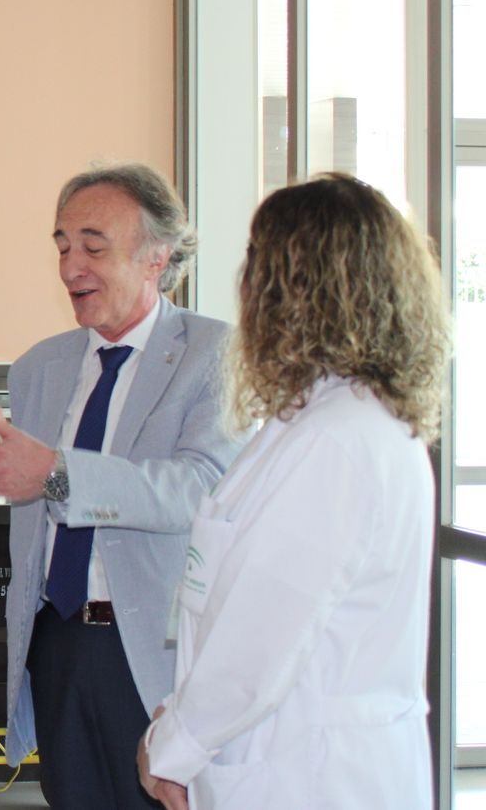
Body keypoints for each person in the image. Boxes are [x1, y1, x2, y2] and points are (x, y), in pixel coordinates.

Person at [0, 162, 242, 810]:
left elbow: (200, 488)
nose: (71, 266)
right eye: (62, 246)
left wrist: (57, 474)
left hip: (156, 652)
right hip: (59, 642)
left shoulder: (216, 355)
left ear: (157, 255)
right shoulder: (39, 368)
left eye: (93, 247)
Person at [138, 174, 448, 810]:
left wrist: (172, 746)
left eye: (257, 262)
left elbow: (259, 639)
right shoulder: (340, 421)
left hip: (308, 773)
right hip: (299, 757)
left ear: (296, 288)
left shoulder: (336, 439)